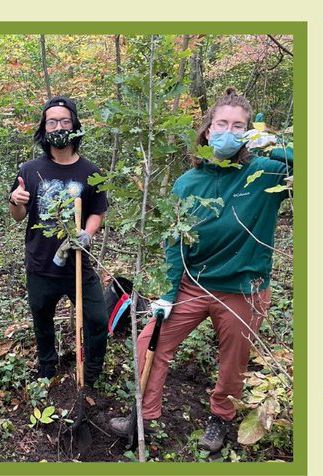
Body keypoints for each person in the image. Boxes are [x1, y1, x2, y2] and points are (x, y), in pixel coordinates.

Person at [107, 88, 291, 454]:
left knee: (233, 362)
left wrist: (273, 145)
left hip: (243, 289)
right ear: (207, 131)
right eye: (221, 123)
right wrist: (168, 293)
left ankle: (220, 419)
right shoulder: (187, 183)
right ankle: (144, 414)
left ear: (249, 133)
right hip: (193, 285)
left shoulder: (267, 173)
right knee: (149, 342)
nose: (228, 131)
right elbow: (175, 244)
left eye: (238, 126)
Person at [8, 96, 109, 385]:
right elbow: (18, 215)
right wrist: (15, 199)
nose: (59, 126)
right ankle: (47, 369)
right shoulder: (29, 170)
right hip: (40, 263)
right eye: (52, 121)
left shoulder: (91, 172)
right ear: (44, 128)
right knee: (42, 322)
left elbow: (98, 212)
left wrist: (87, 235)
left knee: (97, 320)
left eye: (65, 121)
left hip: (78, 263)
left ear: (75, 126)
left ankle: (91, 374)